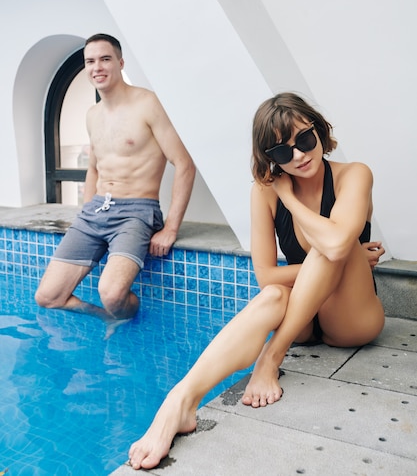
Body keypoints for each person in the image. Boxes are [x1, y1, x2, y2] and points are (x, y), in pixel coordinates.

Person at [127, 91, 385, 470]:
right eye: (282, 153)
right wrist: (348, 255)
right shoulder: (263, 193)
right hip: (302, 314)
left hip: (351, 320)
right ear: (270, 159)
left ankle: (270, 357)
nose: (298, 156)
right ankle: (179, 401)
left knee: (333, 246)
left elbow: (333, 243)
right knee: (272, 297)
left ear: (320, 129)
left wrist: (292, 199)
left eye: (305, 140)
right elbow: (265, 276)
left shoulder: (354, 174)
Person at [35, 33, 196, 335]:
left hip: (136, 211)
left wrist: (170, 228)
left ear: (120, 63)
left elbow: (185, 164)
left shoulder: (146, 103)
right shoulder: (92, 115)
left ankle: (130, 319)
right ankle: (109, 318)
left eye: (105, 59)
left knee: (111, 294)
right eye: (90, 61)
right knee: (48, 296)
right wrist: (85, 211)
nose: (97, 67)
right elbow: (94, 167)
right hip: (95, 211)